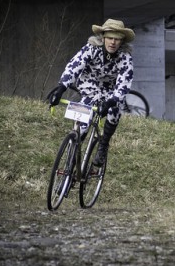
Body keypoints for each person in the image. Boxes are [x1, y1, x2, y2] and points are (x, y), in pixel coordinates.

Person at [48, 19, 135, 166]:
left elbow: (123, 84)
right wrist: (61, 87)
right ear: (103, 38)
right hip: (89, 87)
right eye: (110, 38)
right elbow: (74, 66)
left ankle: (103, 145)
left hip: (110, 92)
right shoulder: (91, 49)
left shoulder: (125, 58)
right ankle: (73, 154)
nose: (113, 42)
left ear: (122, 42)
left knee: (115, 111)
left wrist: (111, 101)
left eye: (117, 39)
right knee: (82, 126)